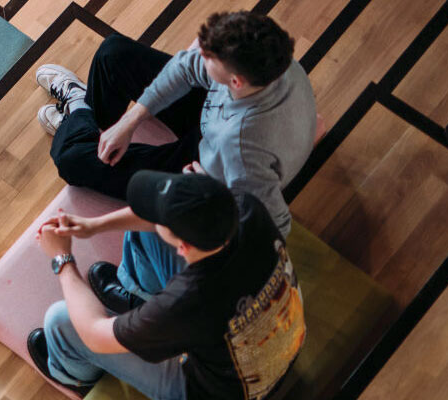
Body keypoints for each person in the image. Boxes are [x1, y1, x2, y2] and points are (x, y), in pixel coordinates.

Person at [27, 171, 306, 400]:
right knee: (144, 233)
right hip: (285, 342)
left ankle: (76, 374)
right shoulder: (246, 208)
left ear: (183, 247)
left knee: (61, 322)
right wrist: (94, 225)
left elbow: (94, 335)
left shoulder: (187, 302)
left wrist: (62, 259)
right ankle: (141, 303)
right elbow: (168, 218)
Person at [35, 11, 316, 236]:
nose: (199, 56)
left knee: (70, 157)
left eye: (208, 59)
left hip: (207, 165)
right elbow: (184, 67)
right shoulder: (271, 60)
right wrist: (132, 120)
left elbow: (277, 222)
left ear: (236, 82)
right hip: (216, 123)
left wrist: (211, 195)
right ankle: (84, 120)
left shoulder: (239, 153)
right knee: (113, 53)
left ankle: (77, 109)